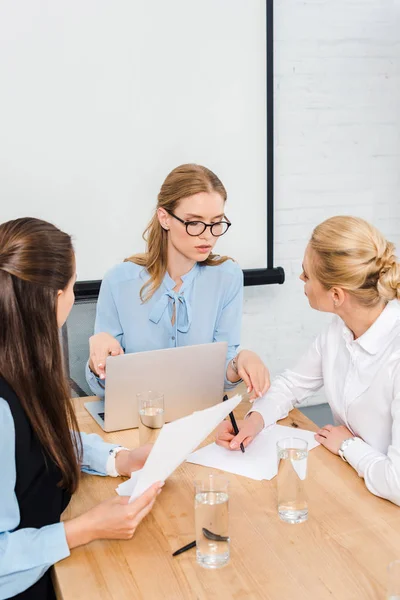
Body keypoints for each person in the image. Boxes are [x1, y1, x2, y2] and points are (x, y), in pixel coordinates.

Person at [0, 218, 163, 600]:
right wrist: (85, 528)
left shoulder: (17, 361)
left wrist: (118, 459)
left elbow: (36, 440)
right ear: (53, 298)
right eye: (73, 285)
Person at [217, 216, 400, 506]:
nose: (301, 280)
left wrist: (348, 446)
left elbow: (397, 483)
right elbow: (291, 385)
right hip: (354, 486)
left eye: (306, 274)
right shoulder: (338, 330)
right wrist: (255, 420)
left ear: (337, 295)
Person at [86, 163, 270, 400]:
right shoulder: (119, 281)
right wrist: (98, 361)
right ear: (164, 218)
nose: (208, 235)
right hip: (138, 418)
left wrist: (238, 362)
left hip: (202, 417)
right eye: (194, 223)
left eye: (216, 223)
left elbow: (220, 377)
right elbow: (101, 388)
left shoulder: (228, 277)